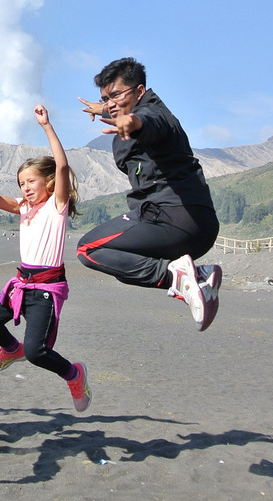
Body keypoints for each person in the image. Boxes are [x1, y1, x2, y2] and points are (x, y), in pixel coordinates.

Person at [76, 57, 222, 330]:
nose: (110, 103)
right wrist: (106, 108)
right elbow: (127, 110)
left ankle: (177, 279)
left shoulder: (155, 115)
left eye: (116, 94)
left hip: (171, 218)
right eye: (106, 97)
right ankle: (200, 275)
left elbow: (148, 122)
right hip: (200, 227)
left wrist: (131, 122)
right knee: (123, 265)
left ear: (140, 92)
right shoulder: (130, 108)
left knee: (89, 250)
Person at [0, 104, 91, 412]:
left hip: (46, 290)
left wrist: (46, 126)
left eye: (31, 181)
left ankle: (74, 374)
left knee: (38, 352)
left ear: (49, 182)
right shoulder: (23, 207)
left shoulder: (57, 205)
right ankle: (11, 350)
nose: (25, 188)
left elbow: (63, 167)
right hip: (21, 284)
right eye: (21, 183)